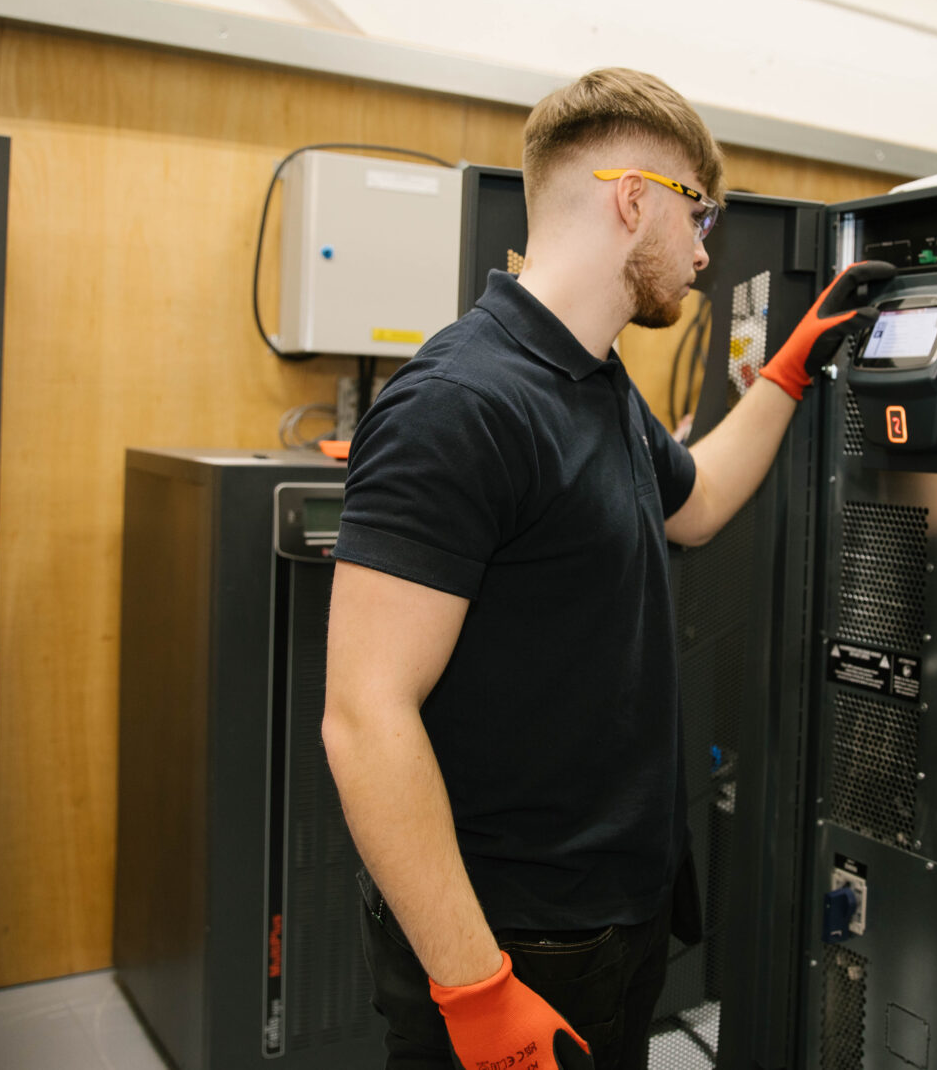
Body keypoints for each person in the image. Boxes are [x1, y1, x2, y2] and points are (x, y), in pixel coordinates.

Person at [323, 67, 891, 1070]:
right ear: (635, 199)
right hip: (509, 936)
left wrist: (794, 369)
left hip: (609, 918)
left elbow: (700, 503)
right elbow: (365, 714)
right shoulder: (460, 401)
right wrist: (474, 983)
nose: (705, 249)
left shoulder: (593, 381)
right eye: (698, 212)